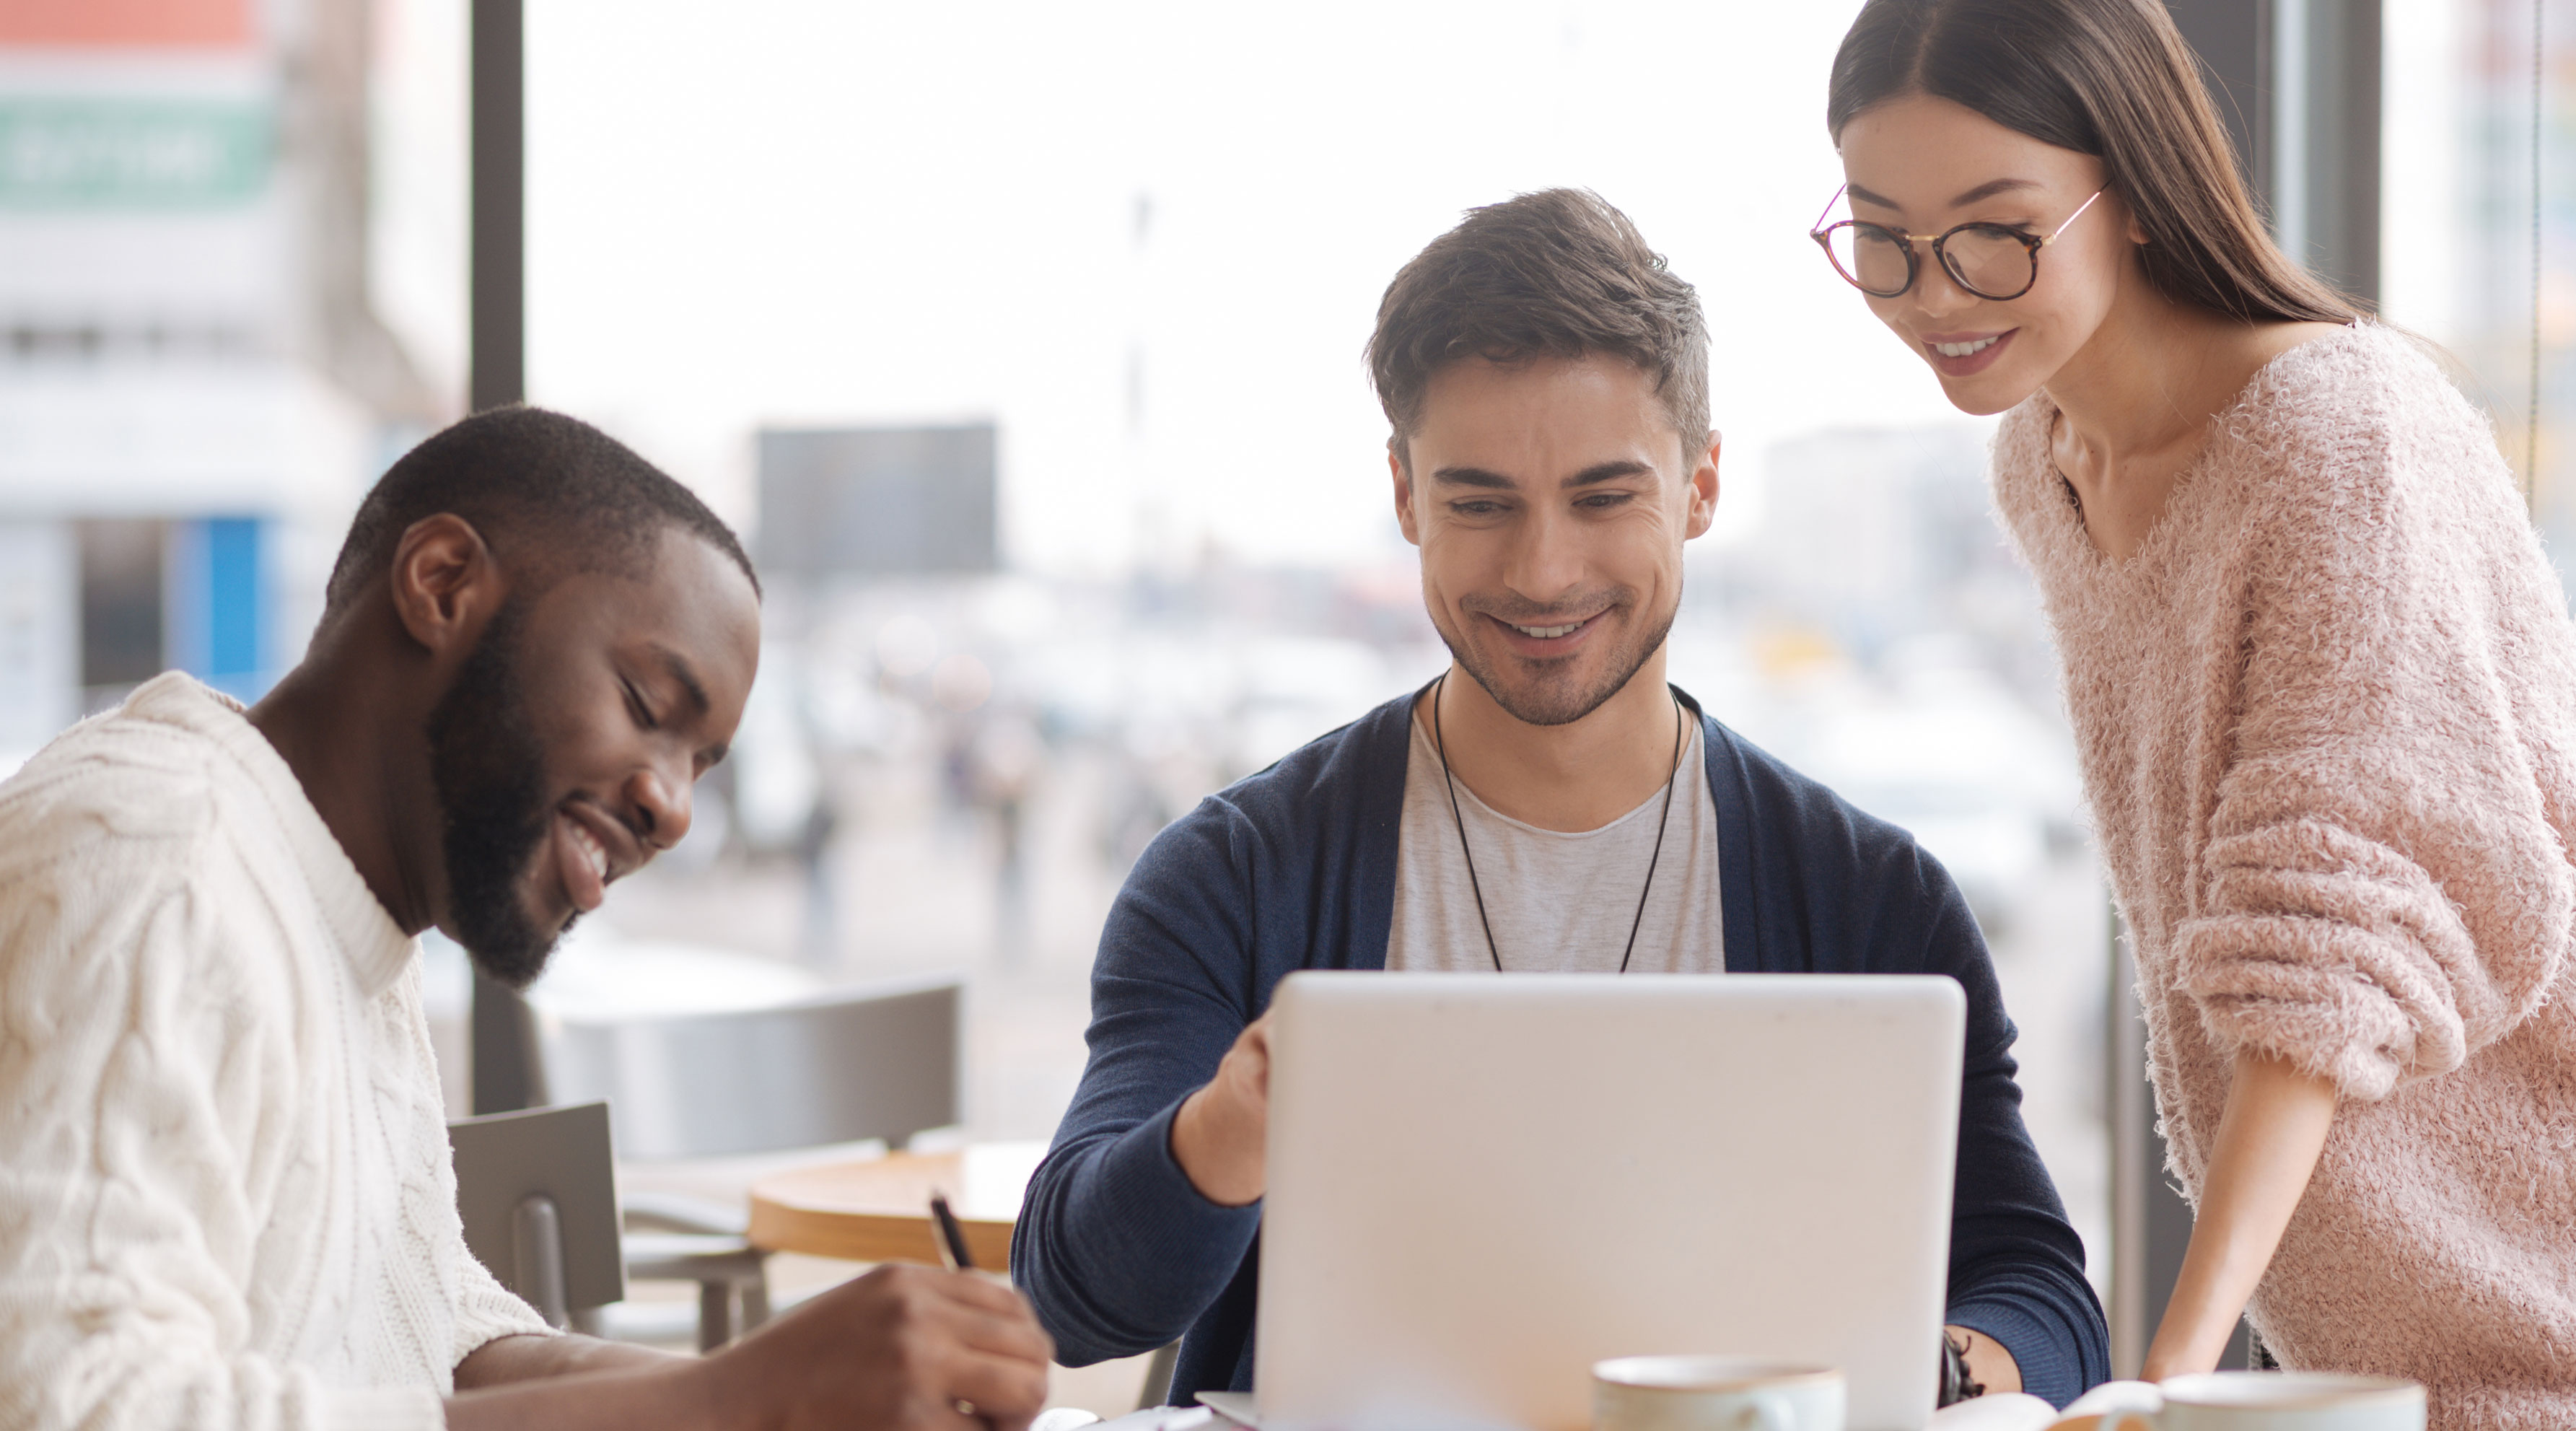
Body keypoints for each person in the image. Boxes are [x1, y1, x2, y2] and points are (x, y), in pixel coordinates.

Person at [1012, 189, 2109, 1412]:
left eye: (1602, 498)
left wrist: (1944, 1368)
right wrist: (1230, 1126)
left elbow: (2043, 1298)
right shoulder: (1235, 875)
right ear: (1404, 497)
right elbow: (1067, 1296)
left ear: (1698, 489)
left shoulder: (1868, 897)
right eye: (1480, 503)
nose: (1543, 572)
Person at [1817, 1, 2576, 1423]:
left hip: (2537, 1287)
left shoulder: (2339, 432)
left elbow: (2329, 948)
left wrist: (2168, 1376)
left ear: (2135, 192)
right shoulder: (2044, 463)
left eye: (1995, 229)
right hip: (2359, 1342)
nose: (1934, 293)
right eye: (1881, 236)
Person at [0, 408, 1053, 1431]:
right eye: (648, 704)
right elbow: (71, 1408)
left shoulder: (339, 910)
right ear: (442, 583)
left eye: (699, 765)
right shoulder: (158, 859)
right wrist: (732, 1404)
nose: (673, 810)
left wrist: (793, 1395)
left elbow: (439, 1334)